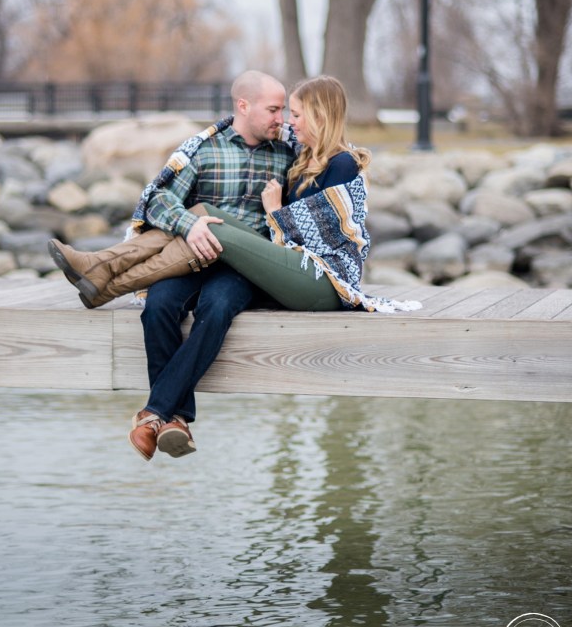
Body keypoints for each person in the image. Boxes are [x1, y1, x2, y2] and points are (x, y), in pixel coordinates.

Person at [49, 74, 421, 462]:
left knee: (210, 244)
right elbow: (158, 200)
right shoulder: (236, 152)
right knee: (160, 300)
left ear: (319, 114)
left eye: (292, 113)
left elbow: (323, 230)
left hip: (294, 273)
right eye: (278, 111)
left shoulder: (312, 157)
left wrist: (275, 212)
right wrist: (187, 225)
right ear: (244, 106)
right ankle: (173, 418)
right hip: (205, 261)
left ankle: (105, 281)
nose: (286, 121)